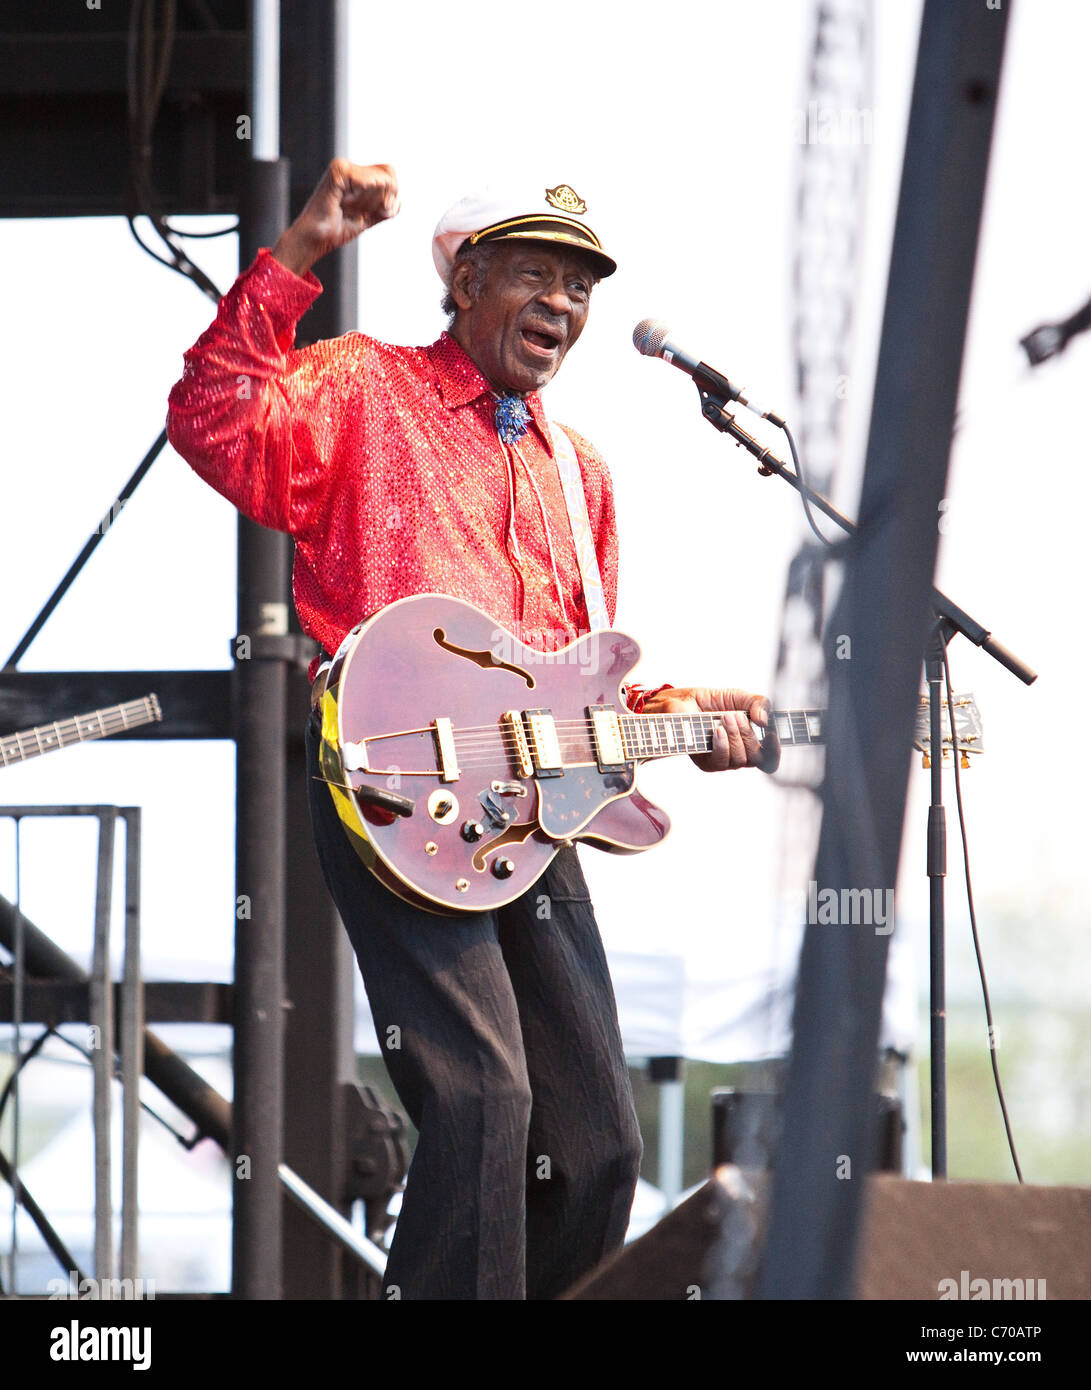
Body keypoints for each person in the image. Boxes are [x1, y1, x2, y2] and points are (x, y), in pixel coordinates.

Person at [167, 160, 777, 1300]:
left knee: (598, 1138)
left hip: (525, 819)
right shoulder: (364, 387)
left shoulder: (577, 472)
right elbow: (211, 421)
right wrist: (300, 253)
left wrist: (683, 719)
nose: (562, 303)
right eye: (534, 276)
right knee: (485, 1102)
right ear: (464, 281)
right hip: (396, 787)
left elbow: (575, 693)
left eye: (579, 286)